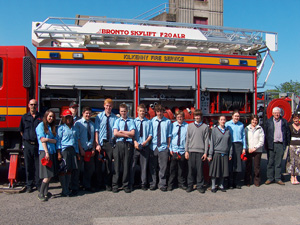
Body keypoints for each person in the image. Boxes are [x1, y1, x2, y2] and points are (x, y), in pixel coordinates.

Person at [19, 99, 43, 193]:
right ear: (28, 105)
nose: (33, 106)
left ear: (37, 106)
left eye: (35, 104)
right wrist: (27, 139)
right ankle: (29, 185)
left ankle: (38, 185)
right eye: (31, 104)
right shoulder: (24, 117)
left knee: (38, 166)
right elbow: (21, 130)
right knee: (28, 166)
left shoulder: (40, 117)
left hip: (37, 145)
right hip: (28, 144)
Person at [95, 98, 118, 191]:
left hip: (110, 143)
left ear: (112, 107)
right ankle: (98, 184)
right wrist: (97, 144)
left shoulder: (115, 118)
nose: (108, 107)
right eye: (107, 105)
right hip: (101, 143)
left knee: (109, 165)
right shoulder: (99, 117)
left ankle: (107, 184)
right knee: (99, 165)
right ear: (104, 106)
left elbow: (115, 131)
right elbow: (96, 131)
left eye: (110, 106)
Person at [113, 103, 135, 193]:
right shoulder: (117, 121)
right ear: (119, 111)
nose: (123, 113)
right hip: (119, 144)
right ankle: (115, 185)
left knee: (126, 166)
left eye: (125, 111)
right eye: (121, 111)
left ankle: (125, 185)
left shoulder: (131, 121)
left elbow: (133, 134)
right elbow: (115, 133)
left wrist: (122, 131)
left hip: (128, 145)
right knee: (117, 166)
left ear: (127, 111)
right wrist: (127, 134)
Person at [185, 109, 209, 193]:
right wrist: (186, 151)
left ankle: (200, 186)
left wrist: (205, 152)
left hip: (200, 152)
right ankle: (190, 185)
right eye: (196, 115)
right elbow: (187, 139)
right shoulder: (190, 126)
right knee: (190, 170)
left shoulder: (205, 127)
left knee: (200, 170)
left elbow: (206, 140)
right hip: (191, 151)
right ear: (194, 116)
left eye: (199, 115)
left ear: (201, 117)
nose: (197, 117)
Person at [56, 109, 79, 197]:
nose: (68, 119)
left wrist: (77, 153)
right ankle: (64, 189)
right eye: (67, 117)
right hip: (64, 150)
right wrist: (59, 152)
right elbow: (58, 141)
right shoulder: (61, 128)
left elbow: (76, 141)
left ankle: (68, 188)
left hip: (72, 150)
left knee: (70, 170)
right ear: (64, 119)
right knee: (63, 170)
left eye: (70, 117)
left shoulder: (74, 128)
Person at [149, 104, 172, 192]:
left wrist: (168, 146)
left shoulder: (168, 122)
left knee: (163, 167)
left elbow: (169, 135)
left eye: (161, 111)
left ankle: (162, 184)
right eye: (157, 111)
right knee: (153, 167)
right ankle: (153, 183)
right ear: (156, 112)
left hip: (163, 147)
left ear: (163, 112)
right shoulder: (152, 121)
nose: (159, 113)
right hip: (153, 146)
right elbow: (150, 134)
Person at [35, 110, 57, 201]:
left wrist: (47, 139)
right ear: (46, 116)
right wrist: (46, 152)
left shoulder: (51, 127)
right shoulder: (41, 126)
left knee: (50, 174)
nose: (51, 118)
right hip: (45, 152)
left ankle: (46, 193)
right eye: (49, 116)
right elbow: (42, 140)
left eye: (52, 117)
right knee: (47, 175)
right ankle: (41, 193)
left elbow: (55, 140)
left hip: (52, 151)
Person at [265, 107, 290, 185]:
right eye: (275, 112)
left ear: (280, 113)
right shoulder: (268, 122)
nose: (277, 114)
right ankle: (270, 178)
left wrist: (287, 143)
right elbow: (266, 134)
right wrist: (266, 145)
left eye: (278, 112)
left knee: (278, 163)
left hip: (280, 144)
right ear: (272, 113)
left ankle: (278, 178)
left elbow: (287, 133)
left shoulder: (284, 121)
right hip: (271, 144)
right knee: (270, 162)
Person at [208, 115, 232, 193]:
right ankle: (213, 186)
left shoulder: (228, 130)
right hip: (217, 153)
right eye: (221, 119)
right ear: (218, 121)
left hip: (225, 153)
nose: (223, 121)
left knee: (223, 171)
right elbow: (212, 142)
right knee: (215, 171)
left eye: (224, 119)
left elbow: (230, 143)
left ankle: (221, 185)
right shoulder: (215, 130)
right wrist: (210, 154)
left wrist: (230, 154)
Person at [132, 104, 153, 191]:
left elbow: (150, 134)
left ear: (145, 112)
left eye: (143, 111)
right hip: (135, 146)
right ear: (137, 111)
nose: (142, 112)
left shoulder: (148, 122)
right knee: (132, 166)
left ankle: (143, 184)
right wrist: (135, 142)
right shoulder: (133, 121)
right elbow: (132, 133)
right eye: (140, 111)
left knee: (144, 166)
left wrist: (145, 142)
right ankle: (131, 183)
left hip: (145, 146)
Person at [75, 106, 96, 192]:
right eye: (86, 113)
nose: (88, 115)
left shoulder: (92, 124)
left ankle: (86, 185)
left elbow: (94, 137)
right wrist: (81, 149)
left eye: (89, 113)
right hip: (81, 150)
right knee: (77, 169)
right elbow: (77, 138)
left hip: (89, 149)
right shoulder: (78, 123)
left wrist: (93, 148)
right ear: (83, 113)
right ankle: (75, 187)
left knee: (89, 169)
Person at [225, 110, 246, 189]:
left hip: (238, 145)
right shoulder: (227, 124)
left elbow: (243, 136)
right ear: (232, 116)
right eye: (235, 116)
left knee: (238, 164)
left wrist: (244, 147)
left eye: (238, 116)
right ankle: (230, 183)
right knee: (230, 164)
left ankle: (236, 182)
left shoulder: (241, 125)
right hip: (230, 145)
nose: (236, 117)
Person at [168, 110, 188, 191]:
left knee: (181, 169)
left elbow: (188, 139)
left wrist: (187, 150)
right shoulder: (172, 126)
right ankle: (171, 184)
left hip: (182, 150)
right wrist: (170, 149)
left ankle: (181, 184)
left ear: (183, 117)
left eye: (181, 117)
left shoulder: (187, 126)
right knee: (172, 169)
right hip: (174, 150)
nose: (179, 118)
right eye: (178, 117)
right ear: (176, 118)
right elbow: (170, 137)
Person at [244, 114, 265, 187]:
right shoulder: (247, 128)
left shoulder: (260, 129)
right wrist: (247, 148)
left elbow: (261, 141)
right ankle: (247, 181)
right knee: (248, 166)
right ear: (251, 120)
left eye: (256, 120)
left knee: (257, 167)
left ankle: (257, 181)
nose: (254, 121)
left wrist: (255, 148)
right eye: (253, 120)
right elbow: (245, 139)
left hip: (257, 150)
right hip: (249, 150)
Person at [286, 113, 300, 184]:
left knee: (298, 162)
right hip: (292, 146)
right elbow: (288, 136)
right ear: (292, 119)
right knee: (292, 161)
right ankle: (292, 176)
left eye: (297, 118)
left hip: (299, 146)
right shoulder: (290, 127)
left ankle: (296, 177)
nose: (296, 120)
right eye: (294, 118)